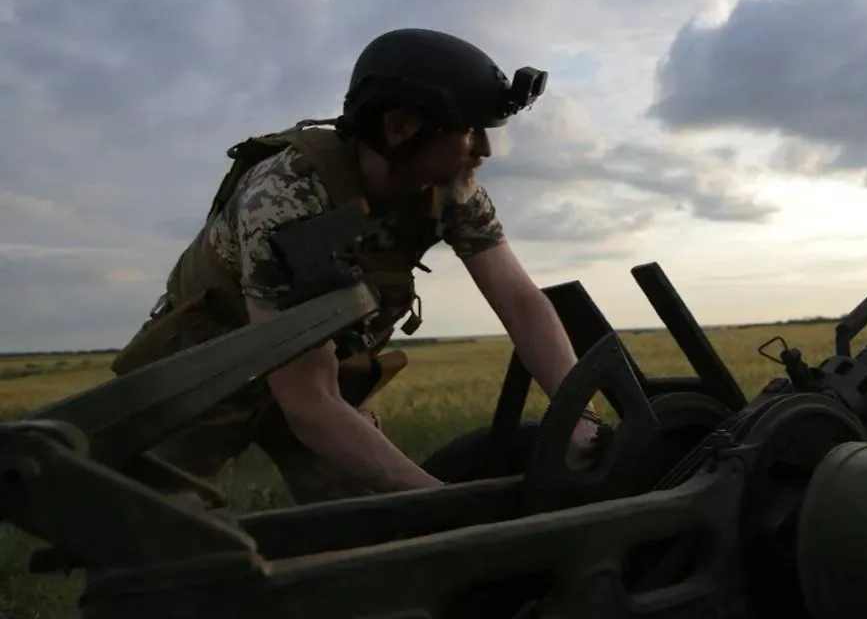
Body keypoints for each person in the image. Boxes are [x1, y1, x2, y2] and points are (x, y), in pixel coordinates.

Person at [110, 28, 604, 505]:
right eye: (470, 131)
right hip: (203, 374)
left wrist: (581, 421)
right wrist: (443, 504)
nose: (485, 150)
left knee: (372, 526)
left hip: (322, 367)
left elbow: (521, 304)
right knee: (168, 538)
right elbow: (309, 404)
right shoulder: (287, 200)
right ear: (400, 128)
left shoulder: (451, 188)